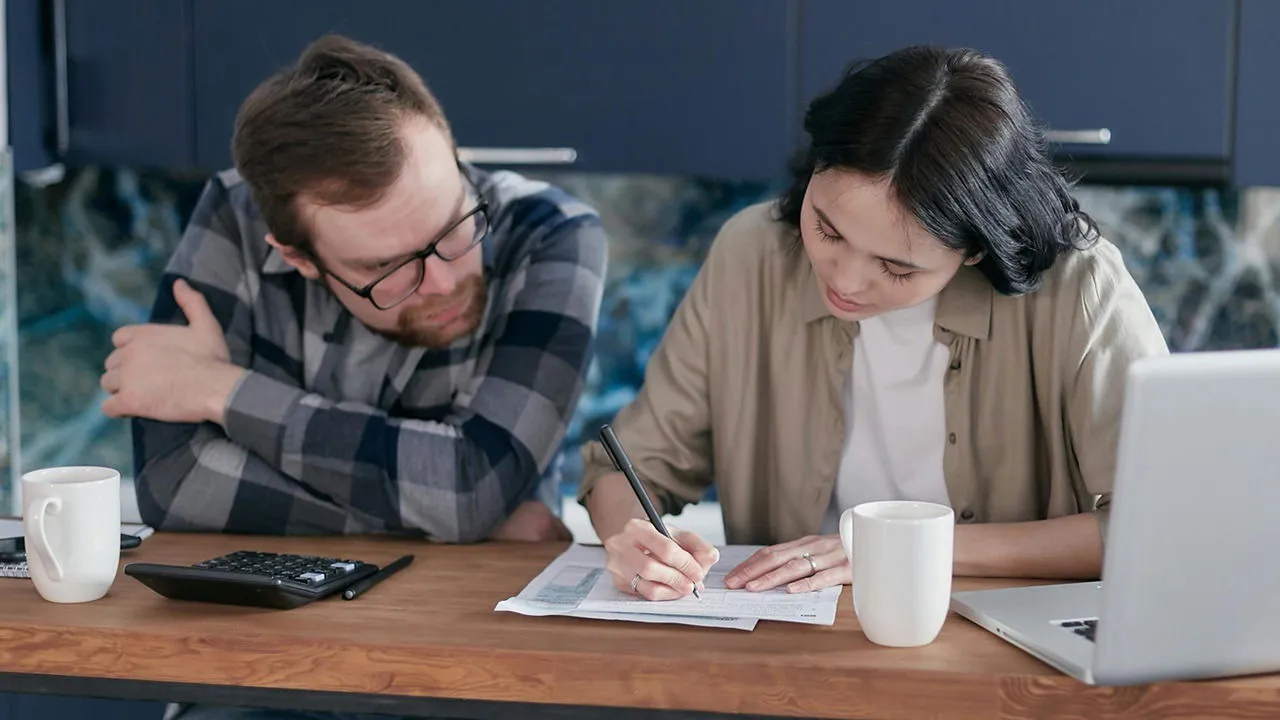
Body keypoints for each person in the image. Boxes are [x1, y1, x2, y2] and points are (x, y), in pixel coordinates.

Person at [579, 45, 1169, 602]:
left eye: (895, 266)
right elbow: (630, 465)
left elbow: (1162, 528)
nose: (845, 280)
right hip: (790, 644)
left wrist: (903, 550)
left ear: (973, 251)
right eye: (828, 230)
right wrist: (633, 538)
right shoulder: (752, 254)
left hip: (1003, 662)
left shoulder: (1079, 290)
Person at [100, 34, 607, 545]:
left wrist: (221, 390)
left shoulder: (552, 233)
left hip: (474, 611)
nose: (443, 282)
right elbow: (177, 484)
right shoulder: (236, 218)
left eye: (454, 228)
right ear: (298, 257)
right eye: (388, 266)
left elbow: (473, 487)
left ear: (454, 157)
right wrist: (447, 521)